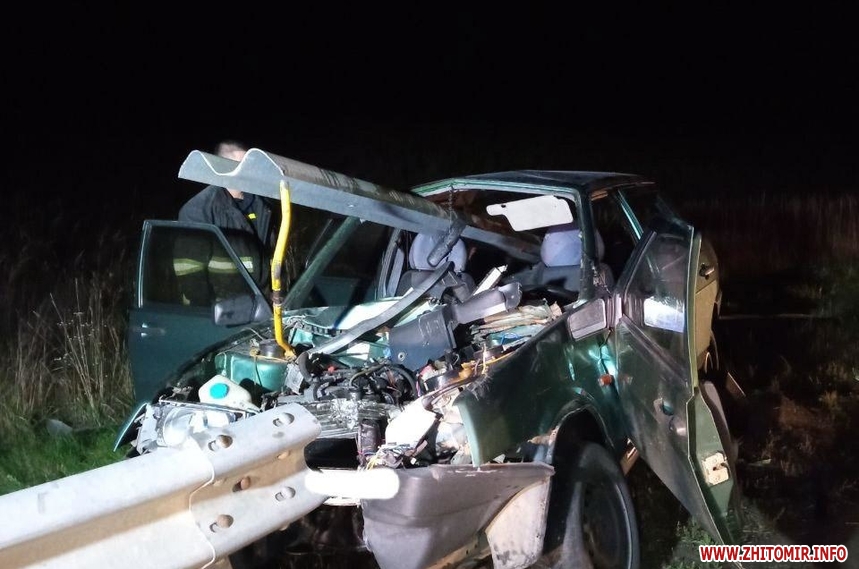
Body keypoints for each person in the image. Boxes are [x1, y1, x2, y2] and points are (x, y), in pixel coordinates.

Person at [173, 140, 276, 305]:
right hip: (221, 310)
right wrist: (212, 310)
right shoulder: (198, 210)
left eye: (249, 165)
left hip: (261, 306)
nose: (247, 170)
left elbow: (272, 256)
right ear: (220, 167)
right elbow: (189, 272)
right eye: (239, 164)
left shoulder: (264, 206)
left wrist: (273, 295)